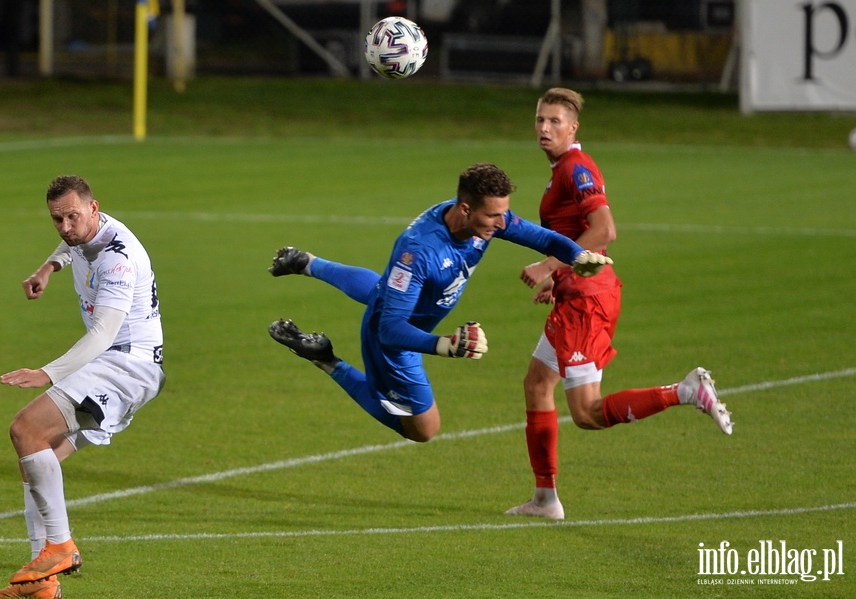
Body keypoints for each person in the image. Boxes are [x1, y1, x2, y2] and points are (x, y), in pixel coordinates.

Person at [504, 88, 733, 521]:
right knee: (536, 383)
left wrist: (551, 267)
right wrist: (562, 277)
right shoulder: (563, 169)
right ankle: (545, 499)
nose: (545, 128)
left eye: (555, 121)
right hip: (578, 294)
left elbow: (604, 229)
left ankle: (685, 392)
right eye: (540, 120)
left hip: (587, 305)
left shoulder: (576, 167)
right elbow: (579, 236)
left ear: (573, 128)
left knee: (588, 413)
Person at [267, 163, 611, 443]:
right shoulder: (418, 253)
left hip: (407, 312)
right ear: (465, 209)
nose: (502, 223)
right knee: (425, 429)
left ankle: (307, 262)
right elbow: (389, 329)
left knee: (382, 291)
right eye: (494, 216)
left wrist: (578, 255)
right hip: (394, 342)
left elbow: (543, 237)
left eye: (503, 213)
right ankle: (326, 359)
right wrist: (445, 346)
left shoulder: (484, 217)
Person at [0, 175, 165, 598]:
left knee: (26, 429)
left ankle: (60, 546)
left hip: (126, 364)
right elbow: (72, 244)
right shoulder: (86, 229)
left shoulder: (118, 259)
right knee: (37, 455)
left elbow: (104, 332)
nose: (66, 227)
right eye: (57, 219)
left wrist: (48, 373)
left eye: (72, 216)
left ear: (94, 207)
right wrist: (48, 267)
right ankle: (41, 583)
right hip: (118, 364)